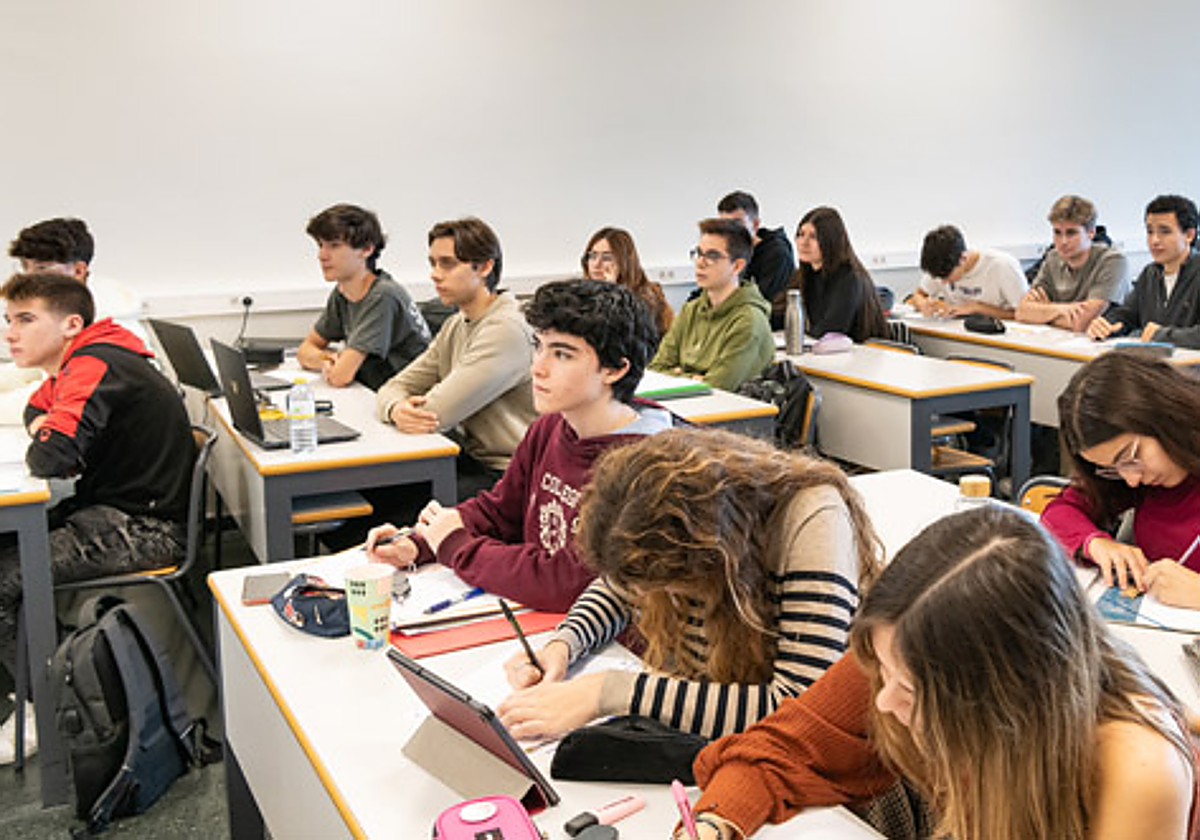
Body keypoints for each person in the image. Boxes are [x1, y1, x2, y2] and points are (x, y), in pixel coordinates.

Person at [679, 504, 1198, 840]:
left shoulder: (1137, 768)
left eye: (908, 689)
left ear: (1004, 695)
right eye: (884, 672)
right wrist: (712, 823)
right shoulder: (908, 648)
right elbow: (779, 748)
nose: (884, 701)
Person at [496, 427, 882, 741]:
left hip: (801, 763)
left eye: (665, 584)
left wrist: (608, 693)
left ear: (711, 552)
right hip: (714, 742)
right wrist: (564, 644)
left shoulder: (809, 516)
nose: (644, 597)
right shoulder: (671, 517)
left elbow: (803, 707)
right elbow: (618, 587)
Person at [365, 279, 672, 612]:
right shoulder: (551, 425)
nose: (537, 367)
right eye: (538, 346)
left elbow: (568, 583)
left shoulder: (645, 466)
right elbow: (500, 511)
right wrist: (420, 542)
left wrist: (453, 544)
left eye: (562, 354)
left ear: (615, 369)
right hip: (537, 622)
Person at [0, 273, 194, 764]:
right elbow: (36, 411)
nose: (10, 333)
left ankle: (40, 712)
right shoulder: (83, 358)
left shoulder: (95, 361)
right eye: (7, 320)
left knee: (4, 578)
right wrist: (41, 428)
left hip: (144, 529)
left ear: (70, 324)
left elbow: (52, 455)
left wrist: (46, 436)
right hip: (111, 513)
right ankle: (33, 680)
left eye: (25, 319)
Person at [377, 218, 536, 498]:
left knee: (385, 516)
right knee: (378, 499)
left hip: (510, 475)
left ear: (485, 267)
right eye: (433, 263)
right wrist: (395, 409)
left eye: (447, 264)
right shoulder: (457, 324)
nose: (435, 275)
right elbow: (393, 387)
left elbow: (435, 413)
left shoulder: (505, 329)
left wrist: (402, 408)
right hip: (470, 461)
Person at [1042, 350, 1200, 608]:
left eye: (1131, 456)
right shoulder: (1147, 479)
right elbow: (1060, 511)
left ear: (1163, 415)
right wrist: (1096, 543)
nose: (1132, 480)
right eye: (1113, 468)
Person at [297, 203, 430, 390]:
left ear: (366, 249)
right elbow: (305, 351)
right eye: (320, 245)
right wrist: (327, 359)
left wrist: (333, 363)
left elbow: (340, 377)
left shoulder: (383, 295)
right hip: (376, 390)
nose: (322, 255)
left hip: (407, 398)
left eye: (334, 246)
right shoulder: (342, 292)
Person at [649, 218, 773, 391]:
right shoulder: (690, 310)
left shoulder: (749, 321)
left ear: (737, 266)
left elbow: (717, 386)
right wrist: (694, 378)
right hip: (684, 408)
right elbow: (655, 370)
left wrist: (678, 373)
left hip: (732, 413)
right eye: (698, 253)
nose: (700, 262)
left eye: (712, 256)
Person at [1088, 195, 1200, 348]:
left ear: (1189, 235)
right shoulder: (1150, 273)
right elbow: (1127, 314)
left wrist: (1160, 336)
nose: (1154, 240)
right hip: (1155, 366)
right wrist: (1107, 324)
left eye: (1164, 232)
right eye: (1149, 232)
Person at [1015, 195, 1130, 332]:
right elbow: (1022, 312)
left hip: (1106, 345)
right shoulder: (1053, 258)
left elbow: (1083, 322)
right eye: (1057, 232)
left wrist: (1044, 313)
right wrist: (1061, 309)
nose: (1063, 241)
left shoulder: (1113, 260)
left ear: (1091, 233)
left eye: (1071, 233)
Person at [783, 206, 889, 342]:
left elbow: (830, 332)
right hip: (828, 355)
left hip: (860, 355)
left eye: (813, 237)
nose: (804, 242)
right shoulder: (804, 274)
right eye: (801, 234)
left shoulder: (849, 278)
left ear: (831, 240)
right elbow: (780, 313)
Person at [912, 224, 1027, 320]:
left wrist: (977, 308)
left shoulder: (1003, 265)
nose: (943, 282)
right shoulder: (940, 264)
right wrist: (924, 305)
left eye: (947, 277)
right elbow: (918, 295)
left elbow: (1025, 314)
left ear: (963, 259)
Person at [580, 227, 673, 339]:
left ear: (624, 263)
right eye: (592, 256)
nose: (596, 264)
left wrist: (612, 291)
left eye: (606, 258)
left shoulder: (645, 299)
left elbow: (624, 340)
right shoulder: (582, 296)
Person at [717, 191, 796, 323]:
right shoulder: (730, 252)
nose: (731, 232)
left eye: (737, 224)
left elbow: (759, 303)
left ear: (755, 225)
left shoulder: (777, 254)